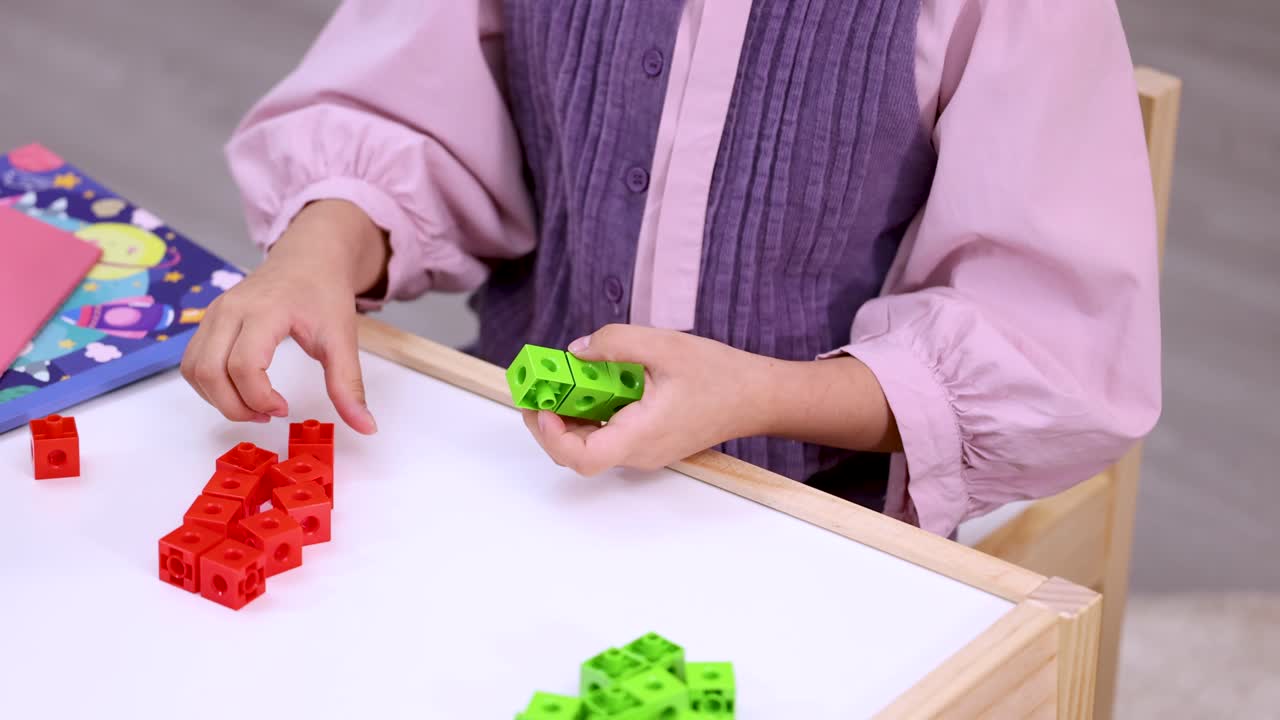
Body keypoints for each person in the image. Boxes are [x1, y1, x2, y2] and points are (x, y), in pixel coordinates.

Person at [181, 0, 1161, 537]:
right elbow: (403, 107)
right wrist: (319, 244)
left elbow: (1049, 354)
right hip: (524, 476)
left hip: (816, 526)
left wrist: (762, 394)